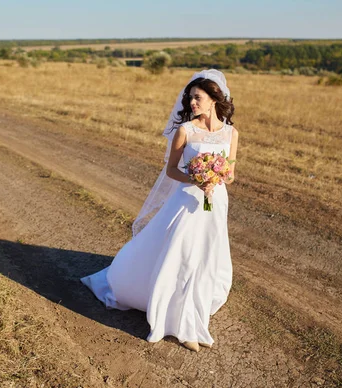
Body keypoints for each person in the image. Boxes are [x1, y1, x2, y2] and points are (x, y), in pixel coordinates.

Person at [81, 69, 239, 352]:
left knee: (205, 254)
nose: (192, 103)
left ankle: (194, 311)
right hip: (186, 200)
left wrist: (217, 177)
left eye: (198, 98)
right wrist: (197, 178)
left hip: (215, 201)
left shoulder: (231, 133)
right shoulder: (185, 130)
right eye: (190, 98)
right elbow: (171, 170)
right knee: (183, 254)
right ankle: (181, 323)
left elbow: (232, 174)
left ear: (215, 99)